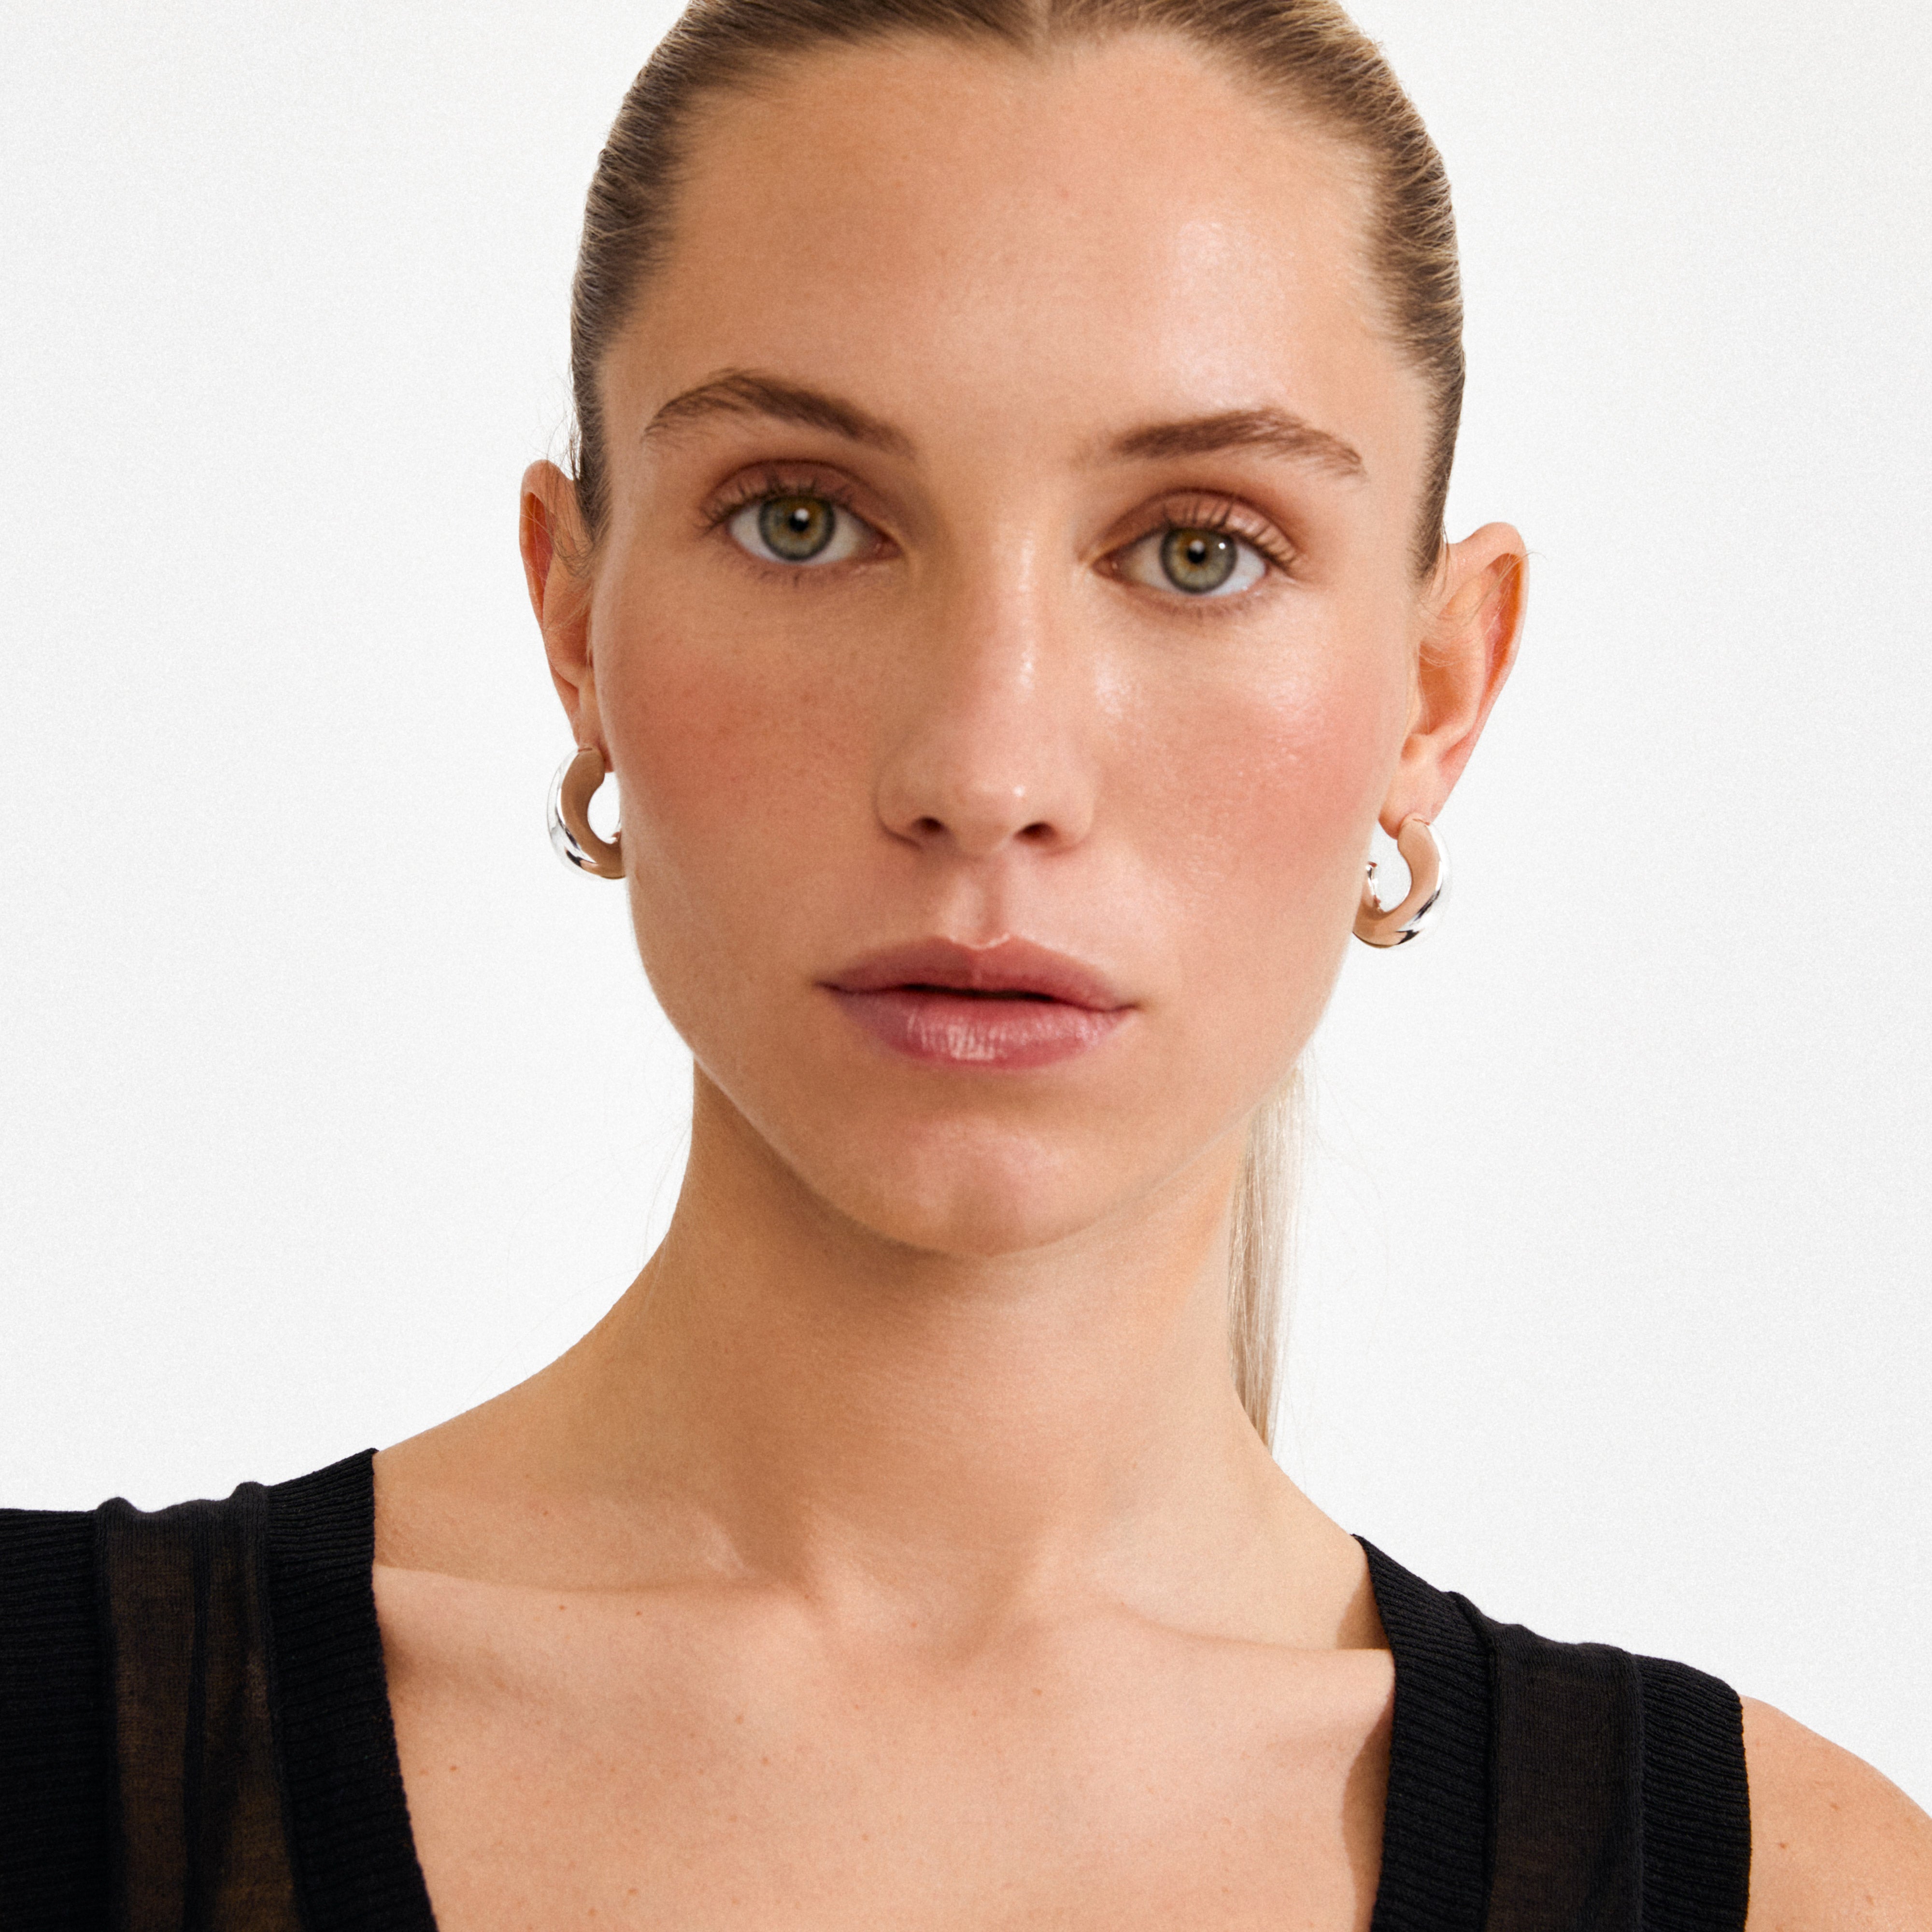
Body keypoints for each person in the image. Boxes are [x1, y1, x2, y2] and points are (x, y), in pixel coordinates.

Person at [3, 0, 1928, 1926]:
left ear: (1436, 692)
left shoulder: (1801, 1892)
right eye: (802, 519)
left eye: (1198, 549)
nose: (985, 770)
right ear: (576, 619)